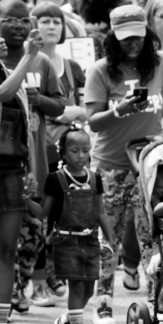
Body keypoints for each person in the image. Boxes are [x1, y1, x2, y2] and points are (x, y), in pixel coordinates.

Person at [84, 4, 163, 324]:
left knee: (153, 236)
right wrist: (119, 110)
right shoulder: (100, 71)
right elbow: (92, 122)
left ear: (147, 34)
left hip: (150, 165)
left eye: (138, 37)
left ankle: (156, 304)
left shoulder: (162, 63)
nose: (132, 44)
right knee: (109, 238)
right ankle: (104, 306)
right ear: (113, 38)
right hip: (110, 166)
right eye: (125, 39)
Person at [0, 0, 65, 315]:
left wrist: (40, 100)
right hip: (6, 165)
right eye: (9, 20)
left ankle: (19, 286)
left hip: (32, 164)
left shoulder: (42, 62)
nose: (17, 26)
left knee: (32, 237)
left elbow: (60, 105)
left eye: (23, 20)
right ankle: (12, 295)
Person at [27, 125, 114, 324]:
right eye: (74, 151)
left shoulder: (95, 178)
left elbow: (101, 212)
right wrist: (26, 200)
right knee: (76, 286)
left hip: (91, 240)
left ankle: (66, 320)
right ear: (63, 153)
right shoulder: (55, 179)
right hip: (66, 241)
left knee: (89, 289)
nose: (81, 155)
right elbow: (42, 212)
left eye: (85, 150)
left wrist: (111, 239)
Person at [29, 1, 88, 306]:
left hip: (64, 148)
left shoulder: (73, 66)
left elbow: (84, 109)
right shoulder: (29, 61)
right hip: (38, 146)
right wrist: (65, 111)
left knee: (59, 215)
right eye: (44, 21)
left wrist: (70, 112)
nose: (51, 26)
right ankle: (37, 279)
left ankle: (49, 269)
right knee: (38, 214)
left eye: (56, 21)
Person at [0, 26, 42, 324]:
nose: (1, 39)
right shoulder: (13, 77)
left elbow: (24, 128)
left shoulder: (8, 72)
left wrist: (29, 169)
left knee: (7, 249)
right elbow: (3, 94)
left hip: (11, 171)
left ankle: (1, 320)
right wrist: (30, 55)